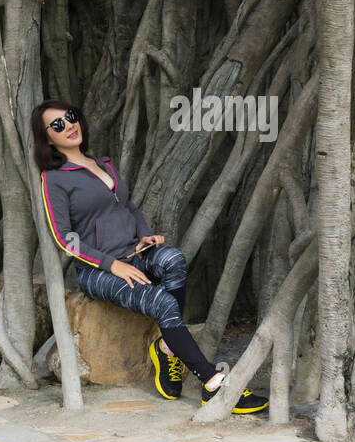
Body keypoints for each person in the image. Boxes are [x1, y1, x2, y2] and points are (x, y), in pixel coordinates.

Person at [31, 99, 267, 414]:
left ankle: (168, 348)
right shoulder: (55, 178)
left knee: (172, 259)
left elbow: (126, 206)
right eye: (57, 125)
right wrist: (112, 264)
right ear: (47, 138)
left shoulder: (103, 163)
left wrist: (144, 234)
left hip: (133, 254)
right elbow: (64, 238)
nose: (69, 126)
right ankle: (212, 383)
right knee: (163, 302)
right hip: (97, 271)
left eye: (70, 117)